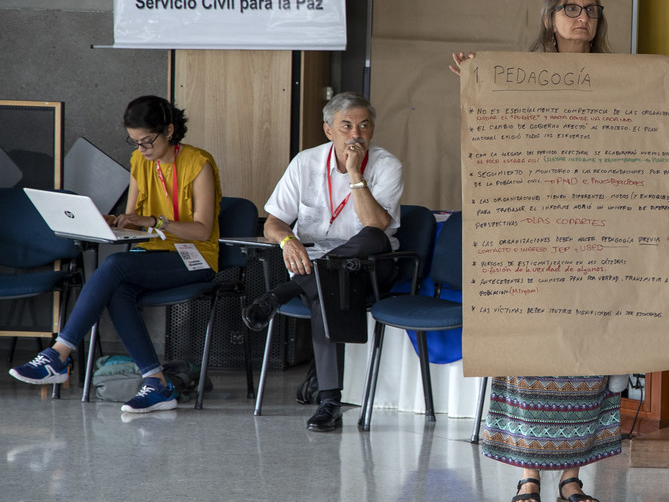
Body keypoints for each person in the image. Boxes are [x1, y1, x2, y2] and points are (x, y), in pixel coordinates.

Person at [452, 0, 621, 502]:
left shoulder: (620, 80)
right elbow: (496, 137)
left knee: (581, 357)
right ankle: (529, 476)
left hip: (592, 236)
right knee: (531, 353)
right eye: (572, 9)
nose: (582, 18)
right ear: (551, 17)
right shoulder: (520, 77)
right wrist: (477, 83)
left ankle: (571, 478)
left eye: (592, 10)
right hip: (530, 238)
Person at [10, 96, 221, 414]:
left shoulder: (199, 163)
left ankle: (58, 354)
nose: (142, 149)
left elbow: (203, 230)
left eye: (147, 141)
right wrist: (114, 221)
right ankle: (157, 385)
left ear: (170, 130)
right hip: (151, 254)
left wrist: (153, 221)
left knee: (115, 265)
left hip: (195, 256)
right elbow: (135, 218)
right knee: (118, 291)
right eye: (134, 142)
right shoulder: (140, 162)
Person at [240, 92, 404, 432]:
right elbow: (273, 222)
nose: (356, 134)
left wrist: (355, 172)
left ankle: (281, 293)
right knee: (325, 287)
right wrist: (287, 240)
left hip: (370, 268)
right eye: (346, 126)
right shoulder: (305, 162)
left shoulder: (387, 165)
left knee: (371, 238)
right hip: (314, 268)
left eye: (363, 126)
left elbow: (376, 225)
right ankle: (330, 401)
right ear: (328, 130)